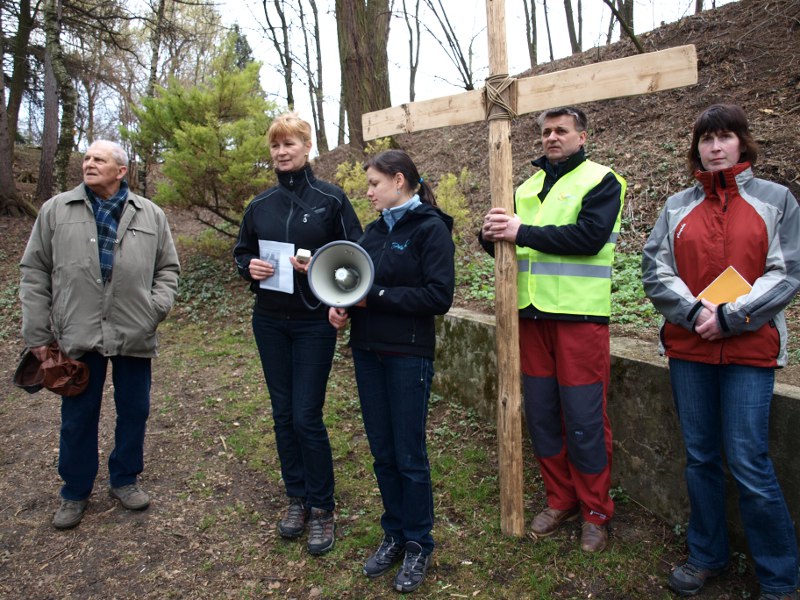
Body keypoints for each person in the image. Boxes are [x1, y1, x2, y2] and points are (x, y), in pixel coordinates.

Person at [642, 104, 800, 600]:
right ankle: (706, 555)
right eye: (707, 139)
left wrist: (732, 316)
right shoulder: (676, 206)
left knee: (750, 460)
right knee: (701, 458)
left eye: (725, 137)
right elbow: (655, 269)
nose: (715, 147)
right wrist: (695, 315)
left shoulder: (777, 200)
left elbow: (787, 271)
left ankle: (779, 578)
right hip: (690, 350)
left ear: (741, 143)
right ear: (697, 147)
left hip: (750, 349)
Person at [479, 106, 626, 553]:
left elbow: (588, 238)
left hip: (579, 320)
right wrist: (489, 235)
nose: (551, 137)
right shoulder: (522, 187)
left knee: (583, 420)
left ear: (582, 137)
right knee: (542, 415)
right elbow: (511, 245)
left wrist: (520, 230)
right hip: (530, 317)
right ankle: (560, 499)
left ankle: (595, 512)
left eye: (561, 130)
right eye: (545, 131)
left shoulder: (602, 180)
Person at [19, 140, 180, 529]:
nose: (88, 164)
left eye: (98, 159)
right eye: (87, 158)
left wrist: (154, 309)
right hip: (79, 329)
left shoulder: (151, 214)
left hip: (133, 329)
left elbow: (168, 269)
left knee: (134, 410)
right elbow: (35, 271)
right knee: (77, 414)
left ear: (120, 170)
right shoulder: (56, 210)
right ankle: (74, 491)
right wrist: (38, 334)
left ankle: (124, 479)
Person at [233, 112, 362, 555]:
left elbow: (356, 258)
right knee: (283, 413)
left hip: (313, 322)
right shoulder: (260, 205)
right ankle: (297, 498)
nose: (282, 152)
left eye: (290, 144)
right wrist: (249, 267)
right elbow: (242, 252)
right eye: (276, 146)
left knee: (307, 415)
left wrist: (322, 270)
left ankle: (323, 507)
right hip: (269, 320)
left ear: (308, 148)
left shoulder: (331, 200)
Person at [328, 149, 455, 593]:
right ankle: (395, 533)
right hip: (367, 352)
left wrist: (372, 298)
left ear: (399, 181)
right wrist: (342, 307)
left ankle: (420, 542)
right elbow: (350, 283)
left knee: (409, 454)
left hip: (407, 354)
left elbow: (438, 297)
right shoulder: (371, 233)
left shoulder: (431, 229)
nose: (368, 192)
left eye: (374, 184)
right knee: (382, 451)